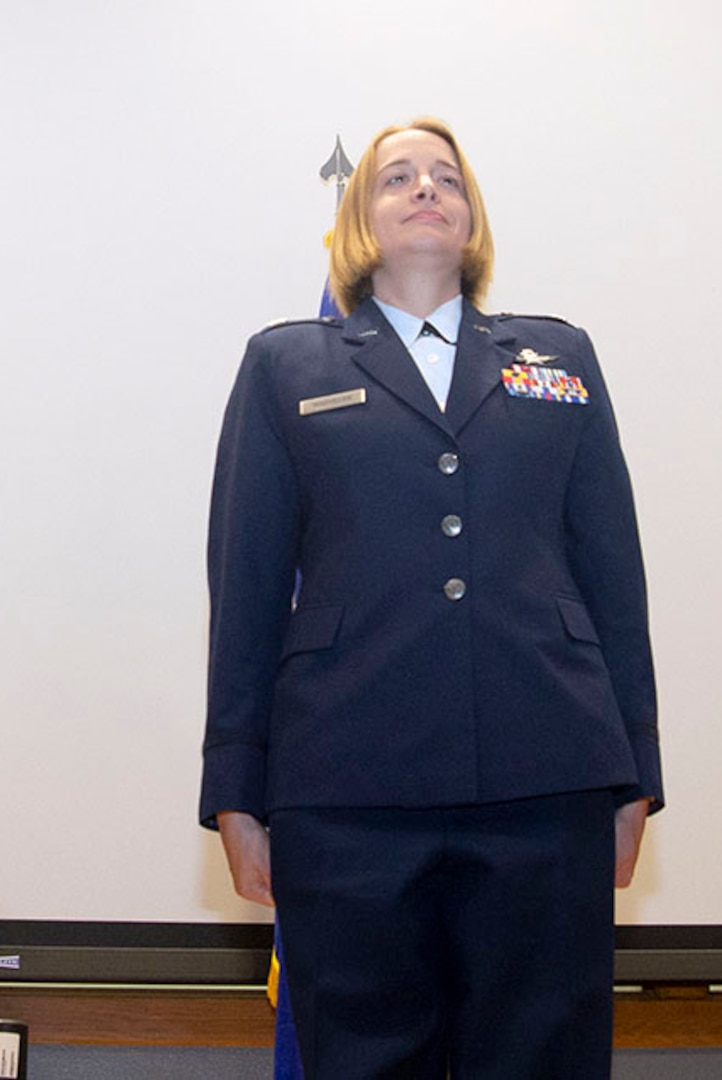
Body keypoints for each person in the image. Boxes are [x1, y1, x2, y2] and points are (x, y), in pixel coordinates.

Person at [200, 117, 661, 1079]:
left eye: (444, 178)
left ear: (471, 215)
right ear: (359, 219)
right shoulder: (288, 364)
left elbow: (613, 574)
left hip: (549, 776)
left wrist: (635, 773)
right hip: (347, 787)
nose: (423, 190)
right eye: (396, 178)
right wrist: (237, 789)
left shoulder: (557, 358)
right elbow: (243, 588)